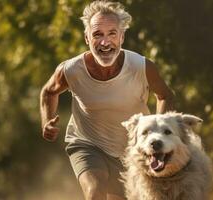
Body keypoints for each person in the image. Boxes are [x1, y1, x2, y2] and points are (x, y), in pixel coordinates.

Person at [40, 1, 174, 200]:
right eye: (97, 34)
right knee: (96, 193)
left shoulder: (141, 67)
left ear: (122, 37)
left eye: (112, 33)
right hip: (87, 143)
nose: (105, 42)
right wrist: (46, 122)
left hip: (132, 150)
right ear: (87, 38)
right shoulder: (71, 70)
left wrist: (158, 132)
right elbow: (48, 92)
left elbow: (165, 95)